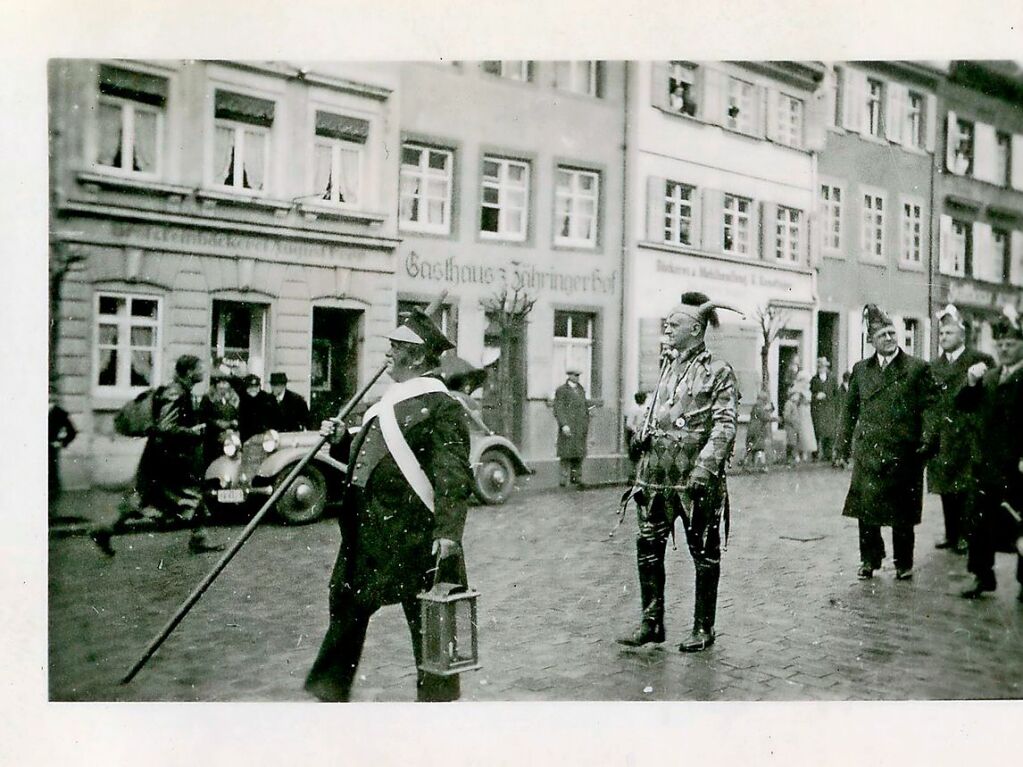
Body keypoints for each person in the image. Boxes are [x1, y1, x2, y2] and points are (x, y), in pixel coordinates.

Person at [305, 307, 474, 702]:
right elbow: (371, 457)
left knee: (430, 632)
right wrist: (340, 439)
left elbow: (453, 476)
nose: (387, 356)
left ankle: (438, 707)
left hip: (415, 537)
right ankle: (328, 693)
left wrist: (448, 535)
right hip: (367, 535)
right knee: (345, 611)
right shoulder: (389, 403)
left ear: (415, 358)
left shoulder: (442, 406)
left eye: (395, 348)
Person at [617, 291, 740, 653]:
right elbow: (659, 409)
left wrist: (705, 466)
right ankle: (651, 624)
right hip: (655, 477)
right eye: (667, 324)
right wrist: (640, 435)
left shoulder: (718, 371)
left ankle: (704, 628)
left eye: (675, 325)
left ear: (696, 329)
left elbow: (725, 424)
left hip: (694, 480)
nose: (667, 330)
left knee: (703, 552)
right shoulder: (668, 365)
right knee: (648, 548)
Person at [835, 304, 937, 581]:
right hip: (869, 451)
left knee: (902, 514)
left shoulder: (917, 369)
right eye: (883, 335)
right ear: (872, 341)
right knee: (866, 512)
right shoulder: (861, 370)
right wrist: (841, 447)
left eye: (893, 332)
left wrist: (927, 437)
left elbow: (929, 408)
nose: (890, 338)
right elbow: (849, 411)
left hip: (904, 452)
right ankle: (869, 560)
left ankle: (904, 562)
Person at [91, 355, 225, 556]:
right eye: (199, 368)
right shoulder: (176, 393)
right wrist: (192, 432)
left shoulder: (181, 391)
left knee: (146, 500)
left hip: (165, 458)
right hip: (166, 461)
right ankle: (104, 531)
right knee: (184, 496)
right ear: (189, 372)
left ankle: (105, 531)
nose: (203, 372)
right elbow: (165, 426)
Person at [956, 306, 1023, 601]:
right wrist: (970, 383)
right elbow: (964, 405)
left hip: (1018, 465)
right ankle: (982, 577)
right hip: (987, 464)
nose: (1005, 349)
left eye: (1011, 344)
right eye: (1001, 344)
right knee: (978, 522)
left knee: (1020, 522)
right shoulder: (991, 377)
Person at [927, 304, 995, 554]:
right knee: (946, 487)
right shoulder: (934, 366)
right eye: (942, 333)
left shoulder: (980, 360)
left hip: (969, 433)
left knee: (966, 487)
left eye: (950, 333)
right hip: (944, 434)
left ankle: (967, 535)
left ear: (962, 336)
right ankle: (951, 533)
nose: (944, 337)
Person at [553, 368, 590, 488]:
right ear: (569, 376)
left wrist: (586, 422)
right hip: (568, 426)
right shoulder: (561, 390)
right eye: (575, 375)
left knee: (578, 454)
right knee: (566, 454)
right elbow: (558, 409)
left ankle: (576, 478)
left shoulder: (581, 390)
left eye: (578, 375)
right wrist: (563, 424)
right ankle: (563, 479)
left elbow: (585, 407)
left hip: (579, 427)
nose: (577, 377)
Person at [199, 371, 240, 466]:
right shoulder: (209, 397)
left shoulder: (235, 398)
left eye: (225, 383)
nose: (222, 386)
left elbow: (240, 415)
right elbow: (203, 417)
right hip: (213, 438)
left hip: (231, 439)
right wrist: (218, 423)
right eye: (219, 383)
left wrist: (236, 423)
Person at [48, 392, 77, 502]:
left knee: (51, 476)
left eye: (51, 394)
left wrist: (61, 443)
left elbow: (72, 431)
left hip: (51, 449)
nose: (49, 396)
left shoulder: (60, 413)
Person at [783, 371, 817, 463]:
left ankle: (804, 452)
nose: (807, 384)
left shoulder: (807, 390)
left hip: (807, 414)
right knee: (799, 434)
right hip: (800, 413)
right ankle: (797, 454)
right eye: (806, 381)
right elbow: (794, 401)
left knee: (806, 433)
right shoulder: (796, 390)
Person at [810, 357, 838, 462]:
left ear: (826, 368)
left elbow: (836, 395)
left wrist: (834, 407)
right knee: (817, 432)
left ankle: (828, 454)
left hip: (829, 409)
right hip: (818, 410)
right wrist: (816, 396)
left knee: (830, 433)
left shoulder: (832, 379)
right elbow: (810, 394)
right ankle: (815, 454)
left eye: (823, 367)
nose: (821, 369)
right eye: (819, 367)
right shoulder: (814, 379)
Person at [237, 373, 277, 441]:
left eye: (256, 386)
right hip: (247, 438)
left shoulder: (268, 399)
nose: (253, 389)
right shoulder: (243, 400)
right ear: (246, 388)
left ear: (259, 387)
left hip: (266, 438)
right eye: (250, 387)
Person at [744, 388, 774, 472]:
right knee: (760, 449)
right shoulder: (760, 408)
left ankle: (748, 465)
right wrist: (775, 419)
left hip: (752, 429)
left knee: (751, 448)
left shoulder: (755, 406)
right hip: (758, 430)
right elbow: (765, 417)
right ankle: (761, 466)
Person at [624, 391, 649, 482]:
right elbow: (629, 424)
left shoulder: (645, 409)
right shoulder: (633, 410)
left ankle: (638, 476)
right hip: (634, 435)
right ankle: (633, 476)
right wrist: (636, 430)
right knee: (635, 457)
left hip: (643, 434)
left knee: (640, 455)